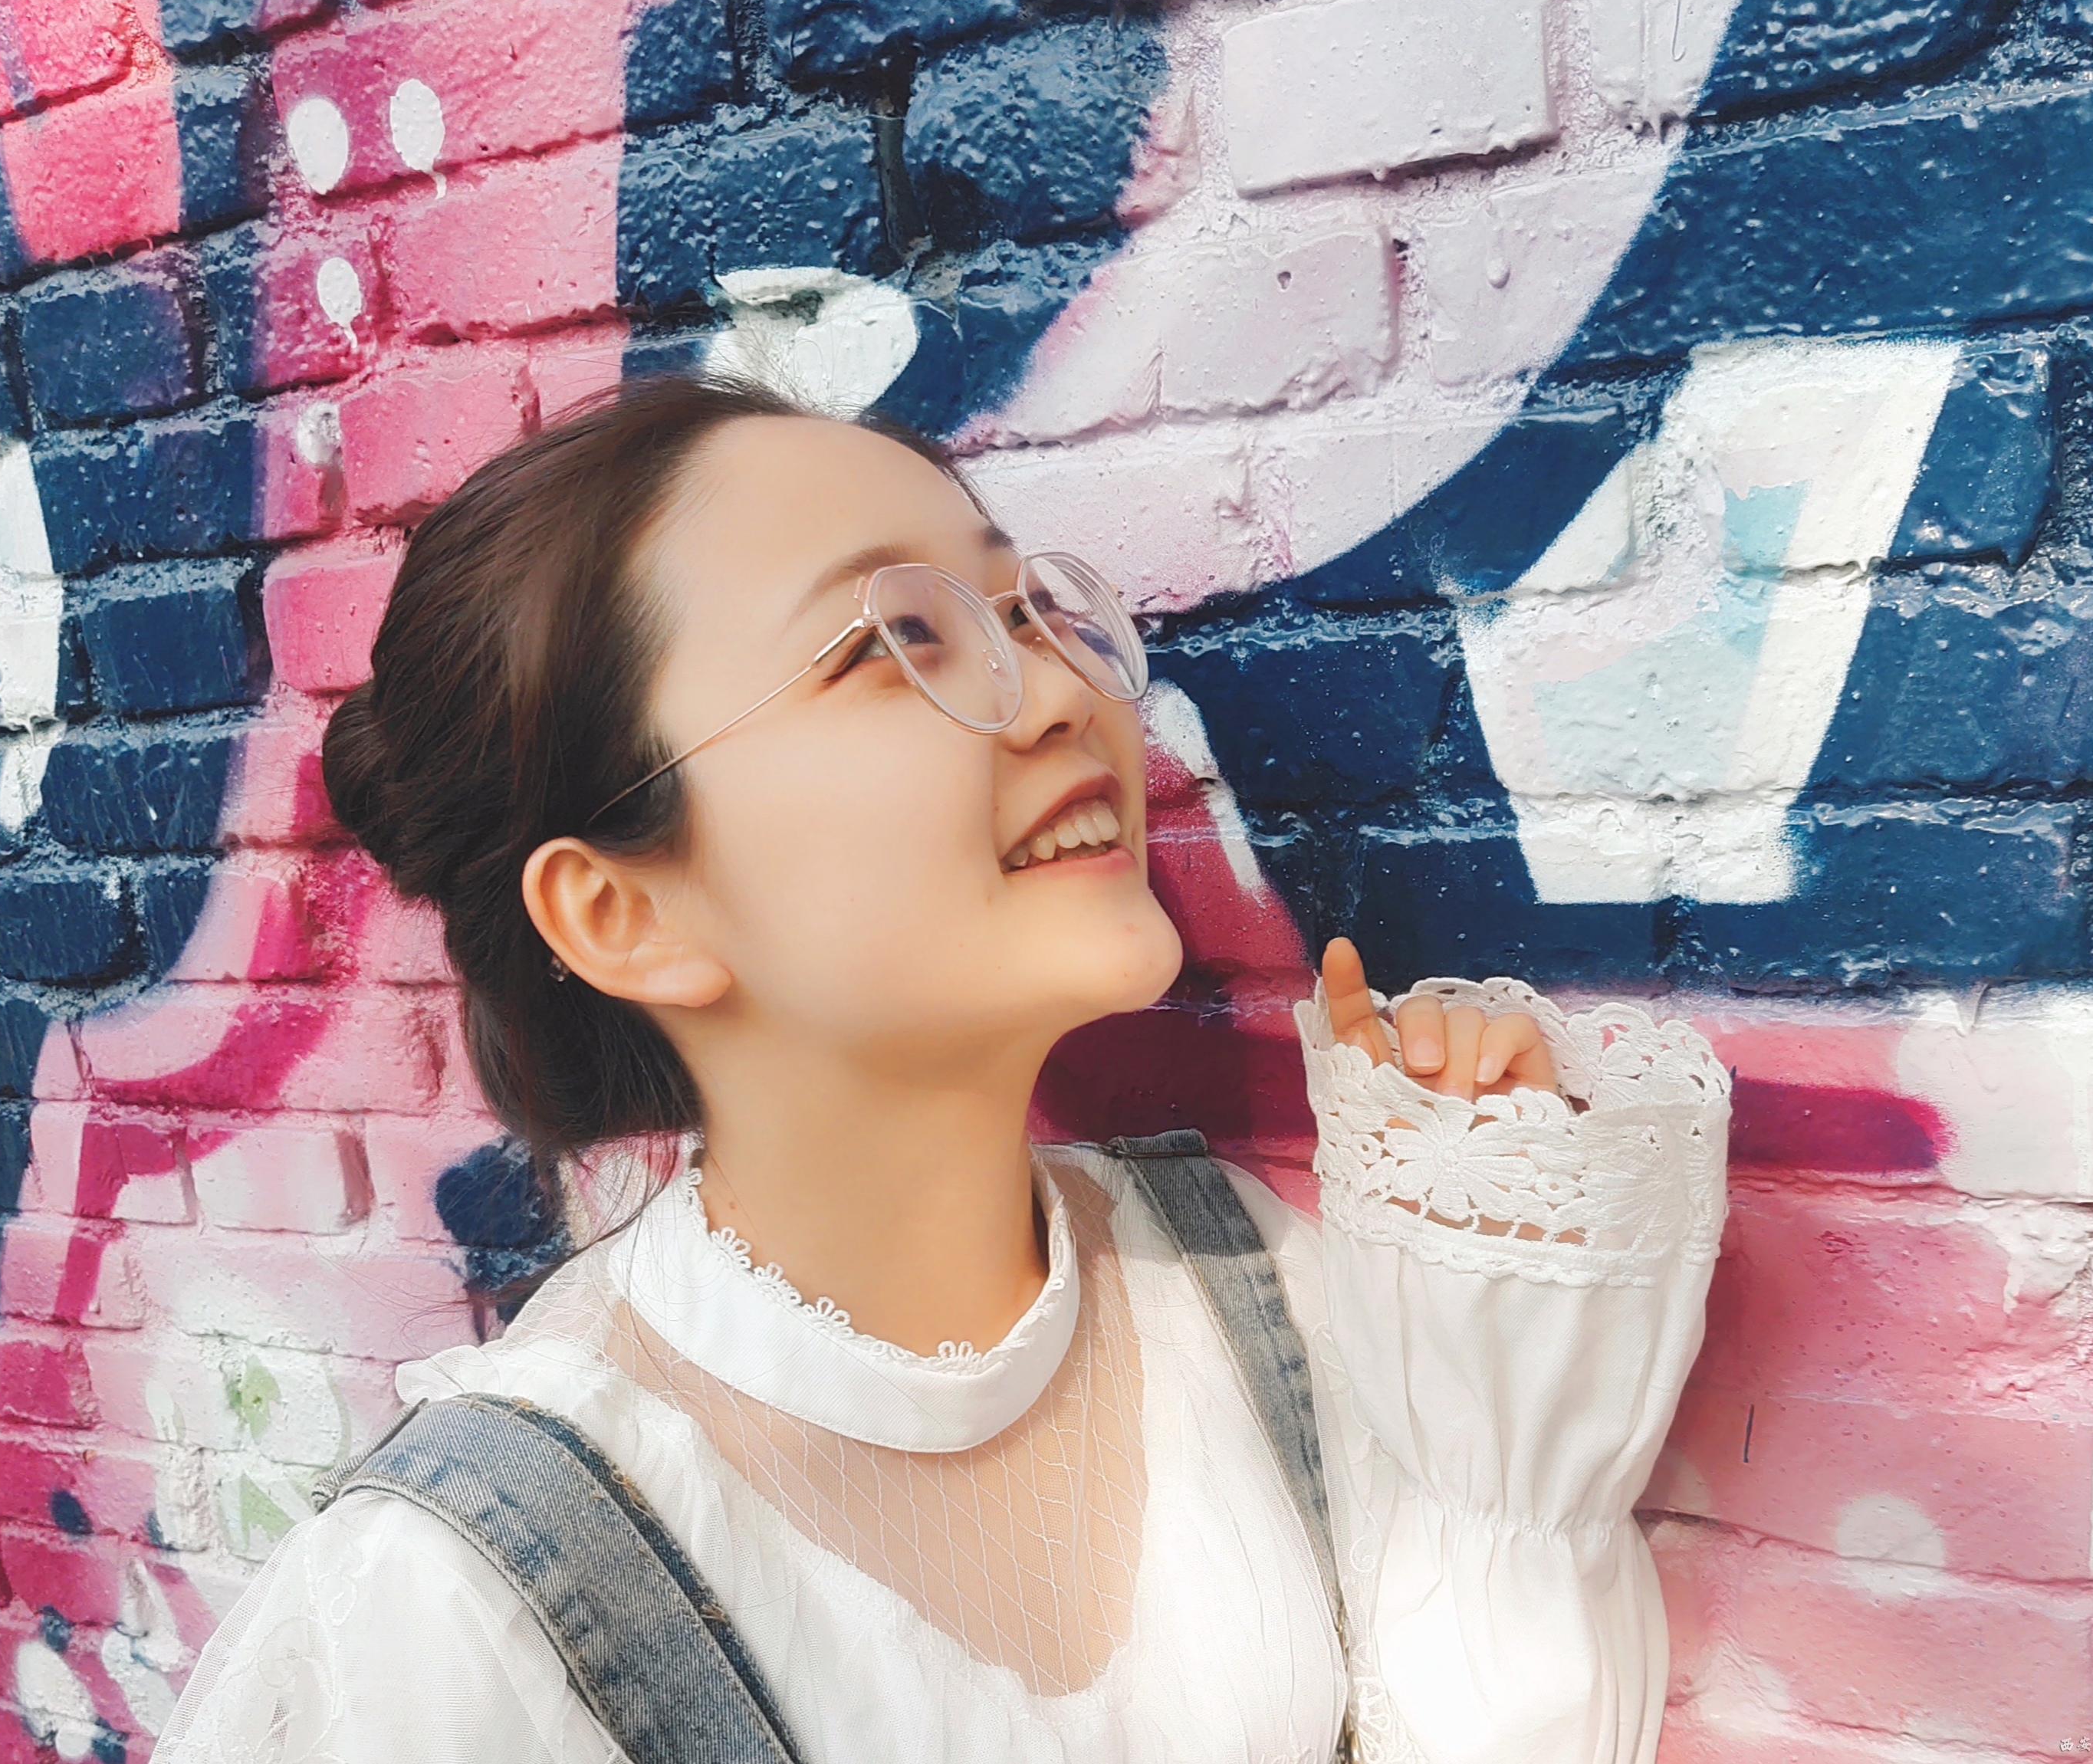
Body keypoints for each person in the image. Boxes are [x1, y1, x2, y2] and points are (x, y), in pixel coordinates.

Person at [148, 372, 1731, 1763]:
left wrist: (1481, 1268)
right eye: (890, 642)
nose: (1056, 696)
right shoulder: (467, 1600)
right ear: (625, 914)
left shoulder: (1246, 1288)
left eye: (1025, 611)